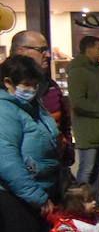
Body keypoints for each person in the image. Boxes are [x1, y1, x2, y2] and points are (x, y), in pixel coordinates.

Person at [0, 54, 63, 232]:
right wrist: (36, 196)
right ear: (8, 83)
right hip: (17, 195)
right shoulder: (5, 110)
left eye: (34, 85)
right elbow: (7, 159)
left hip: (45, 186)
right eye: (26, 85)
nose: (31, 90)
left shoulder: (30, 105)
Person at [10, 29, 73, 169]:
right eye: (42, 50)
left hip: (54, 168)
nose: (48, 55)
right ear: (21, 51)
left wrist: (67, 151)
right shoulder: (6, 87)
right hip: (18, 176)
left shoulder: (51, 86)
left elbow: (64, 124)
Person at [67, 35, 99, 195]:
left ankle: (95, 205)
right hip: (88, 130)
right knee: (87, 169)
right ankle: (81, 206)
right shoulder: (79, 71)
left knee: (98, 168)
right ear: (88, 49)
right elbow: (78, 101)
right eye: (98, 48)